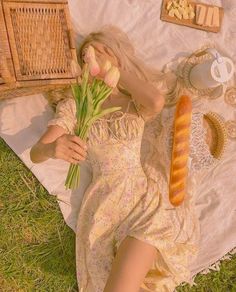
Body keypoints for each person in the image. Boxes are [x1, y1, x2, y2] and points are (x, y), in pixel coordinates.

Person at [30, 25, 219, 292]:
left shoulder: (133, 98)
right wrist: (52, 148)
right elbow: (38, 151)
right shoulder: (76, 105)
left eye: (103, 51)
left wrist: (117, 72)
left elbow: (155, 101)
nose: (93, 58)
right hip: (103, 205)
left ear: (117, 56)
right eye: (86, 57)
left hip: (144, 202)